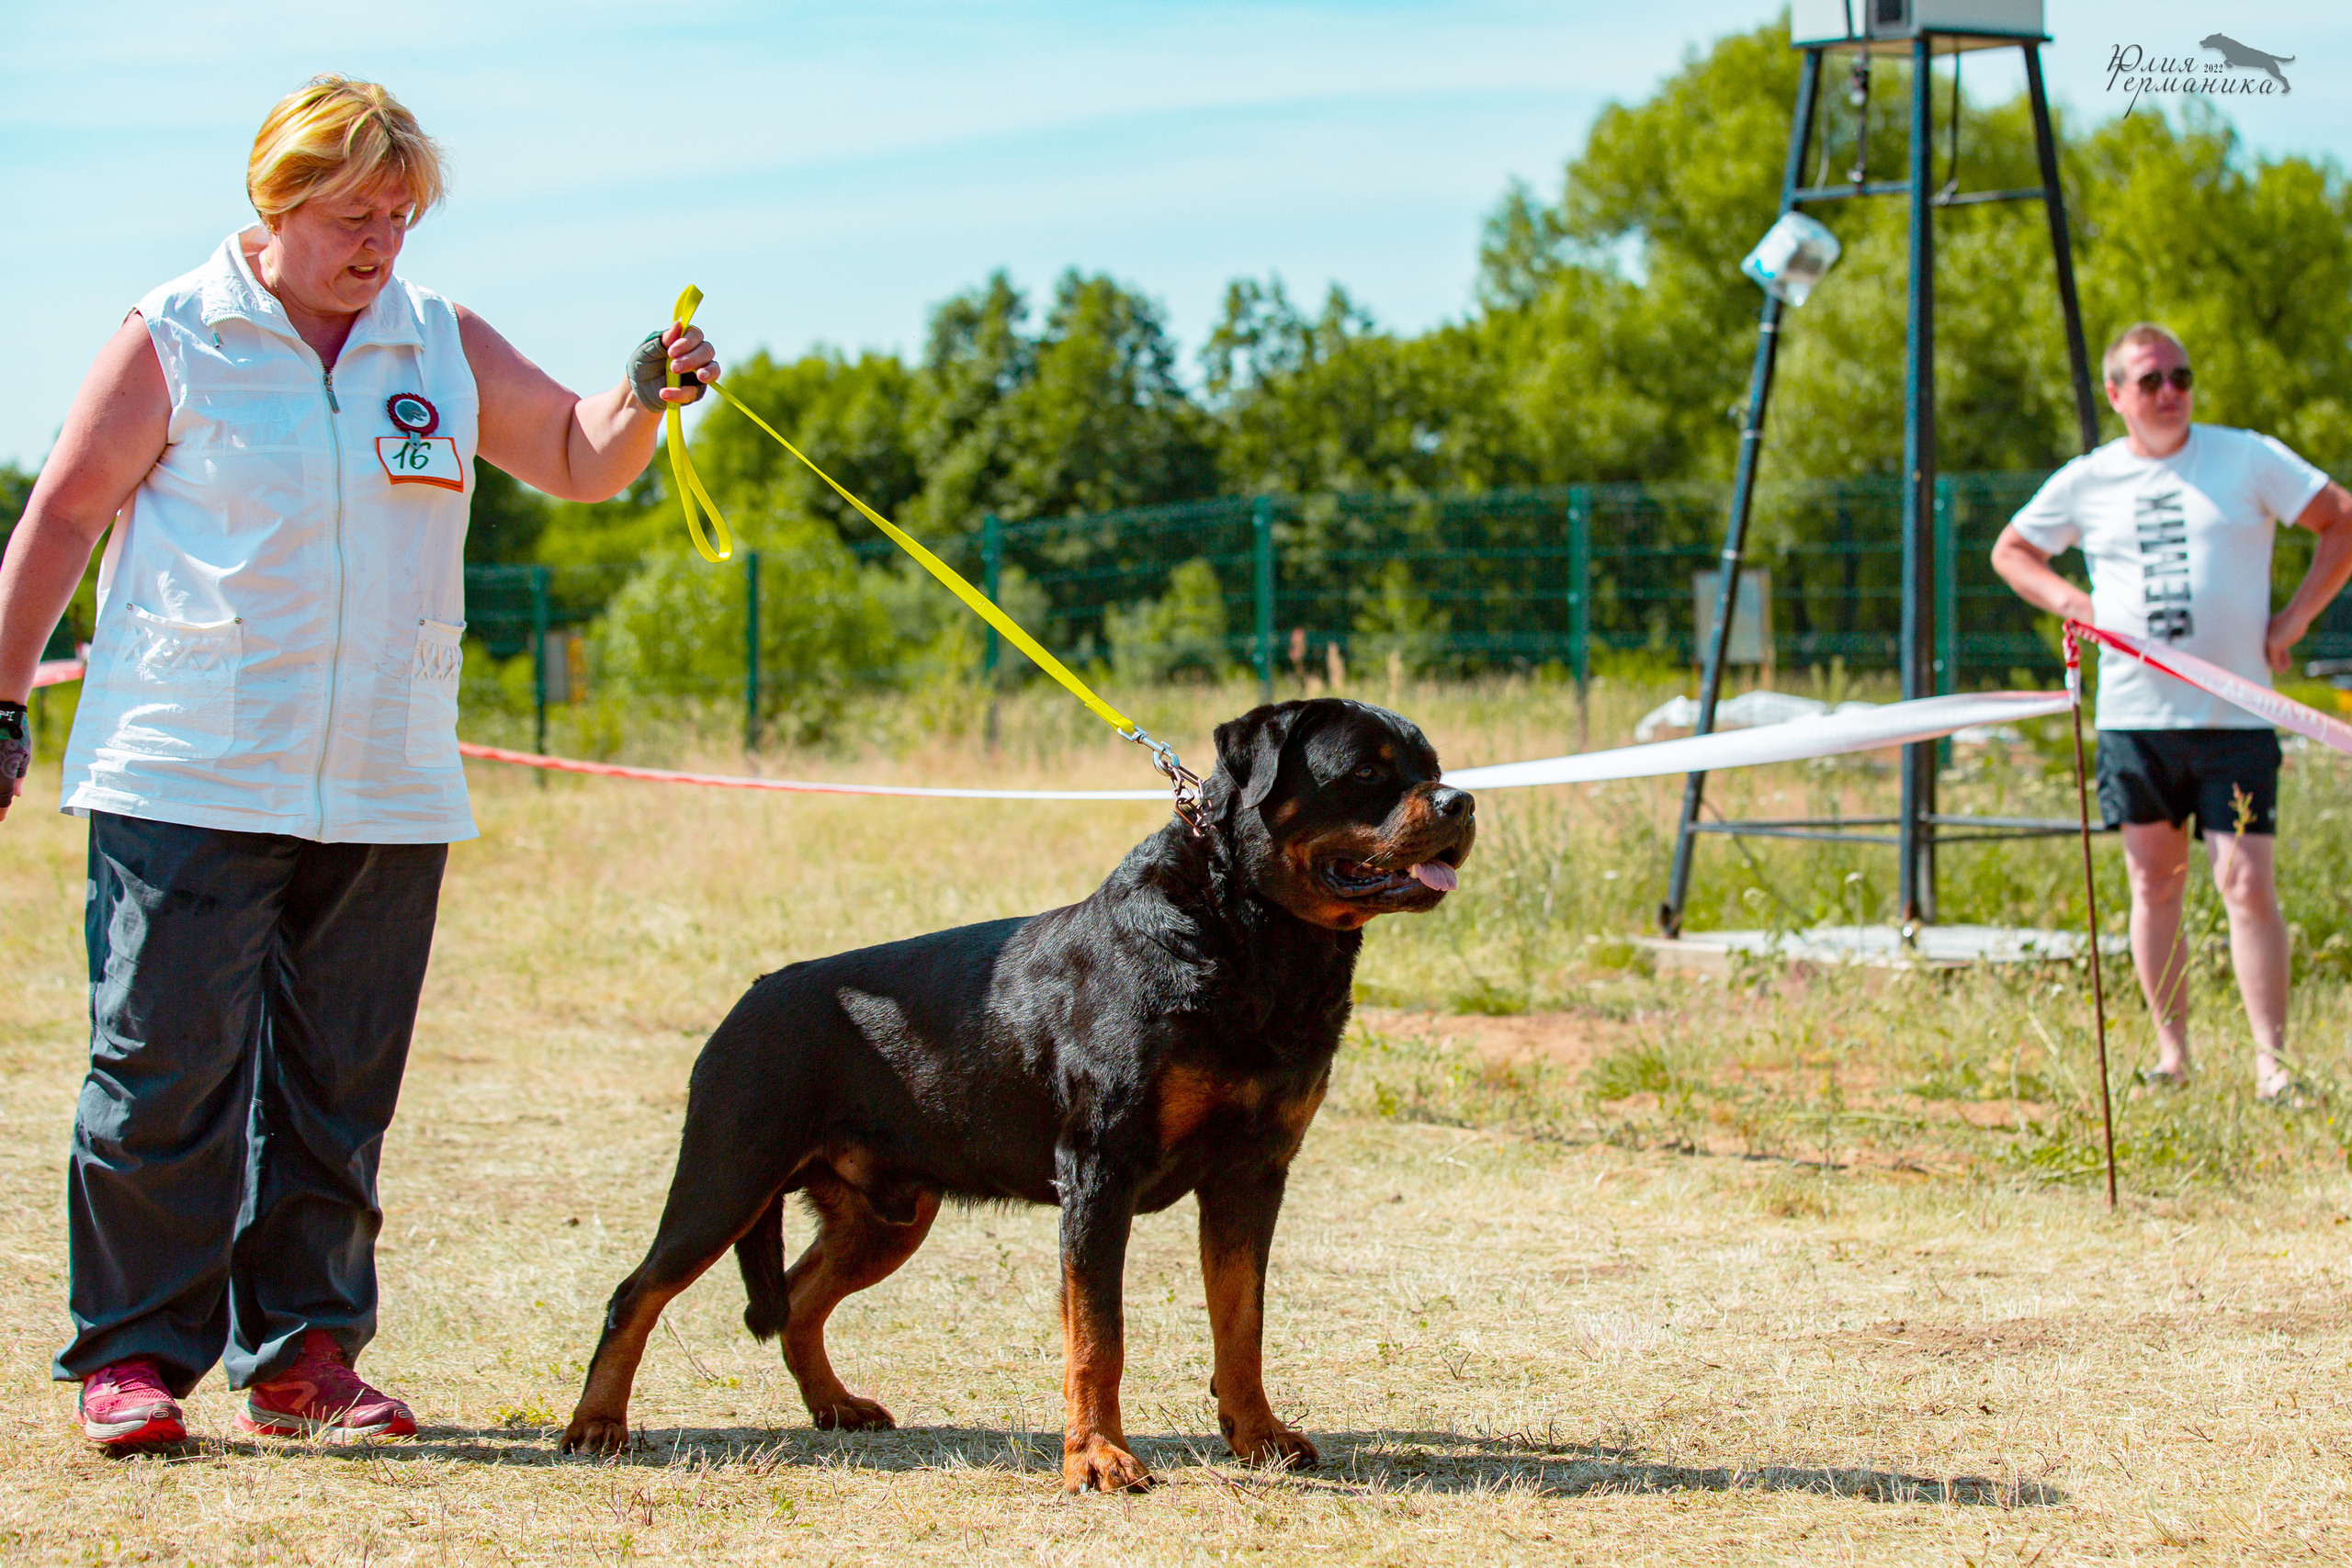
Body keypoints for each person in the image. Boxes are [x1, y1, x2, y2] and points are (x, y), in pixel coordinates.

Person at [0, 76, 721, 1450]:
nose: (381, 241)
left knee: (336, 1089)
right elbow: (59, 520)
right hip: (190, 769)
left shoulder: (436, 342)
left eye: (399, 214)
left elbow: (574, 453)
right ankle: (135, 1356)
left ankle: (303, 1354)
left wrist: (639, 388)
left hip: (385, 782)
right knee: (164, 1068)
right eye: (353, 215)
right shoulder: (174, 336)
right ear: (273, 206)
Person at [1991, 323, 2352, 1102]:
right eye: (2150, 381)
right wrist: (2073, 602)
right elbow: (2012, 550)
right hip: (2135, 718)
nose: (2168, 393)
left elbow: (2341, 520)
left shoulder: (2246, 455)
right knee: (2155, 884)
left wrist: (2290, 622)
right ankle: (2172, 1057)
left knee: (2246, 881)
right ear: (2117, 394)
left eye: (2180, 378)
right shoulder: (2088, 479)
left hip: (2236, 719)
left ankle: (2273, 1068)